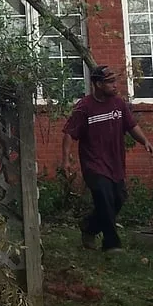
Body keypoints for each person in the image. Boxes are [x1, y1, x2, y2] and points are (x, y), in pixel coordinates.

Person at [61, 65, 153, 252]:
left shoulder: (118, 104)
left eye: (115, 81)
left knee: (118, 199)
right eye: (110, 82)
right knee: (104, 197)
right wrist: (66, 160)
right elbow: (69, 134)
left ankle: (89, 226)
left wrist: (145, 141)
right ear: (97, 84)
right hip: (93, 164)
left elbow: (131, 126)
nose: (115, 85)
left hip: (115, 163)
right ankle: (111, 244)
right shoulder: (84, 107)